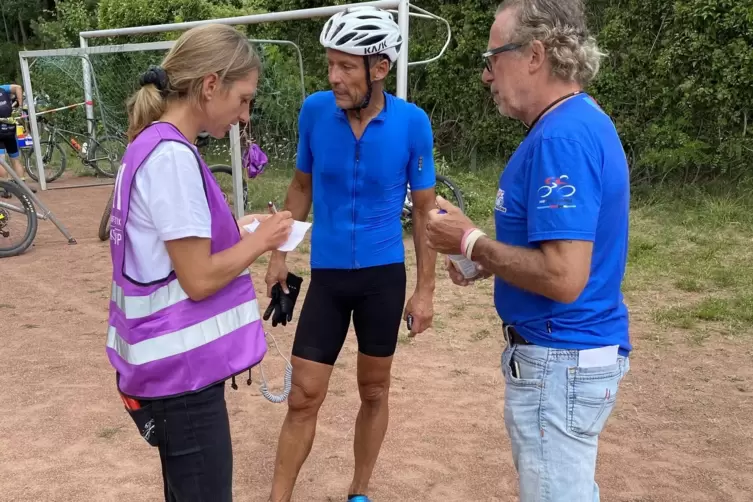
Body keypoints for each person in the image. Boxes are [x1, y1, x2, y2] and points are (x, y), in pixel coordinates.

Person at [425, 1, 631, 501]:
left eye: (492, 57)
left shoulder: (560, 137)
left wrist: (470, 242)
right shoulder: (577, 122)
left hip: (559, 360)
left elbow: (563, 276)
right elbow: (551, 255)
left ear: (534, 54)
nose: (486, 75)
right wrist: (480, 253)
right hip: (568, 357)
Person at [105, 24, 293, 501]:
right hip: (181, 378)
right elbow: (199, 277)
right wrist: (265, 239)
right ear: (210, 85)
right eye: (243, 99)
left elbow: (172, 252)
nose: (244, 114)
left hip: (164, 372)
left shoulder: (149, 145)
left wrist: (241, 229)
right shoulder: (172, 157)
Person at [265, 6, 438, 502]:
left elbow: (425, 212)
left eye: (345, 66)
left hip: (384, 277)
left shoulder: (412, 124)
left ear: (379, 68)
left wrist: (425, 292)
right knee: (303, 395)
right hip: (329, 277)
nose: (333, 77)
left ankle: (359, 491)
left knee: (374, 390)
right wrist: (281, 255)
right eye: (330, 65)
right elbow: (300, 187)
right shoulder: (315, 111)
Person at [0, 83, 36, 196]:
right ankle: (23, 186)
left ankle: (6, 189)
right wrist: (20, 106)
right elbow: (18, 87)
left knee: (1, 161)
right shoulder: (2, 88)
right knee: (15, 159)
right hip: (10, 130)